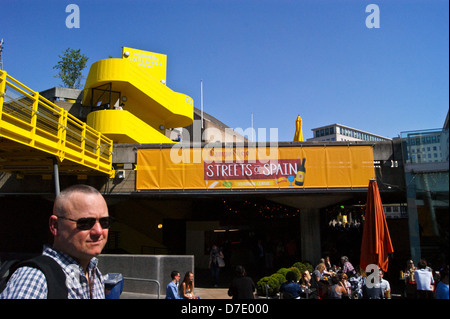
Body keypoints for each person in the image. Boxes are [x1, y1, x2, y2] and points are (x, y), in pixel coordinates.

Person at [0, 184, 110, 299]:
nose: (98, 231)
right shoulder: (35, 278)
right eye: (85, 223)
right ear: (55, 226)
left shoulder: (94, 273)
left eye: (105, 222)